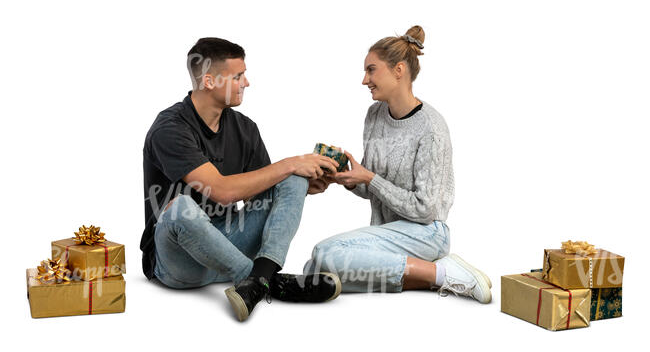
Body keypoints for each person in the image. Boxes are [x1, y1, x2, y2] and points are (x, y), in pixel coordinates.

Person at [140, 37, 342, 322]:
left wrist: (304, 187)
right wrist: (290, 163)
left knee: (293, 179)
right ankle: (268, 281)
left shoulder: (245, 128)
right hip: (179, 261)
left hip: (230, 246)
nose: (246, 83)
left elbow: (257, 193)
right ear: (209, 81)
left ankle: (256, 281)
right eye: (238, 76)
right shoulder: (170, 128)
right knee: (179, 209)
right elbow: (221, 191)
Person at [302, 26, 493, 303]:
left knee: (325, 254)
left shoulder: (431, 128)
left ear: (399, 70)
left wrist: (370, 178)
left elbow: (425, 209)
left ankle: (441, 272)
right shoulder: (374, 115)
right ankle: (431, 279)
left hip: (427, 233)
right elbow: (371, 187)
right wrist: (349, 178)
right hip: (388, 235)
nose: (364, 80)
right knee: (315, 273)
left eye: (371, 70)